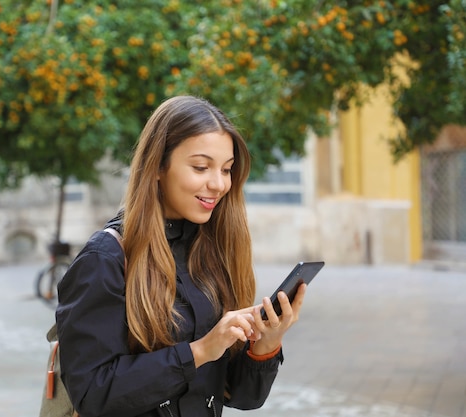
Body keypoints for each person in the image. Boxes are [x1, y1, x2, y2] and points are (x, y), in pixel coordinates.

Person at [54, 95, 308, 416]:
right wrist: (199, 351)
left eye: (227, 169)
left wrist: (267, 343)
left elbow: (241, 397)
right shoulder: (105, 258)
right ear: (158, 166)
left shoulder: (209, 251)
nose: (218, 184)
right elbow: (92, 394)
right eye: (201, 167)